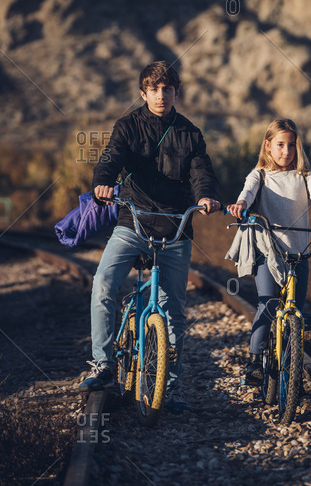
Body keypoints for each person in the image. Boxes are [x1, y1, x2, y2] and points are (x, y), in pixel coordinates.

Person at [78, 61, 220, 412]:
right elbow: (111, 158)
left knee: (175, 310)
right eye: (154, 89)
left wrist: (205, 196)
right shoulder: (127, 126)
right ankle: (103, 364)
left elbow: (201, 171)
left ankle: (168, 390)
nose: (161, 95)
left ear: (176, 92)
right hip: (134, 221)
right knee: (104, 285)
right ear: (144, 93)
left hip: (175, 227)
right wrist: (104, 182)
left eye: (167, 88)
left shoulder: (190, 133)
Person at [226, 118, 311, 384]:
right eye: (280, 145)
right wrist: (240, 204)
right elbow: (247, 193)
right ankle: (255, 359)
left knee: (297, 308)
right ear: (268, 146)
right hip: (267, 252)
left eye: (291, 145)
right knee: (268, 302)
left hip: (298, 253)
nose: (286, 151)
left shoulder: (305, 176)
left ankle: (289, 366)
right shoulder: (259, 175)